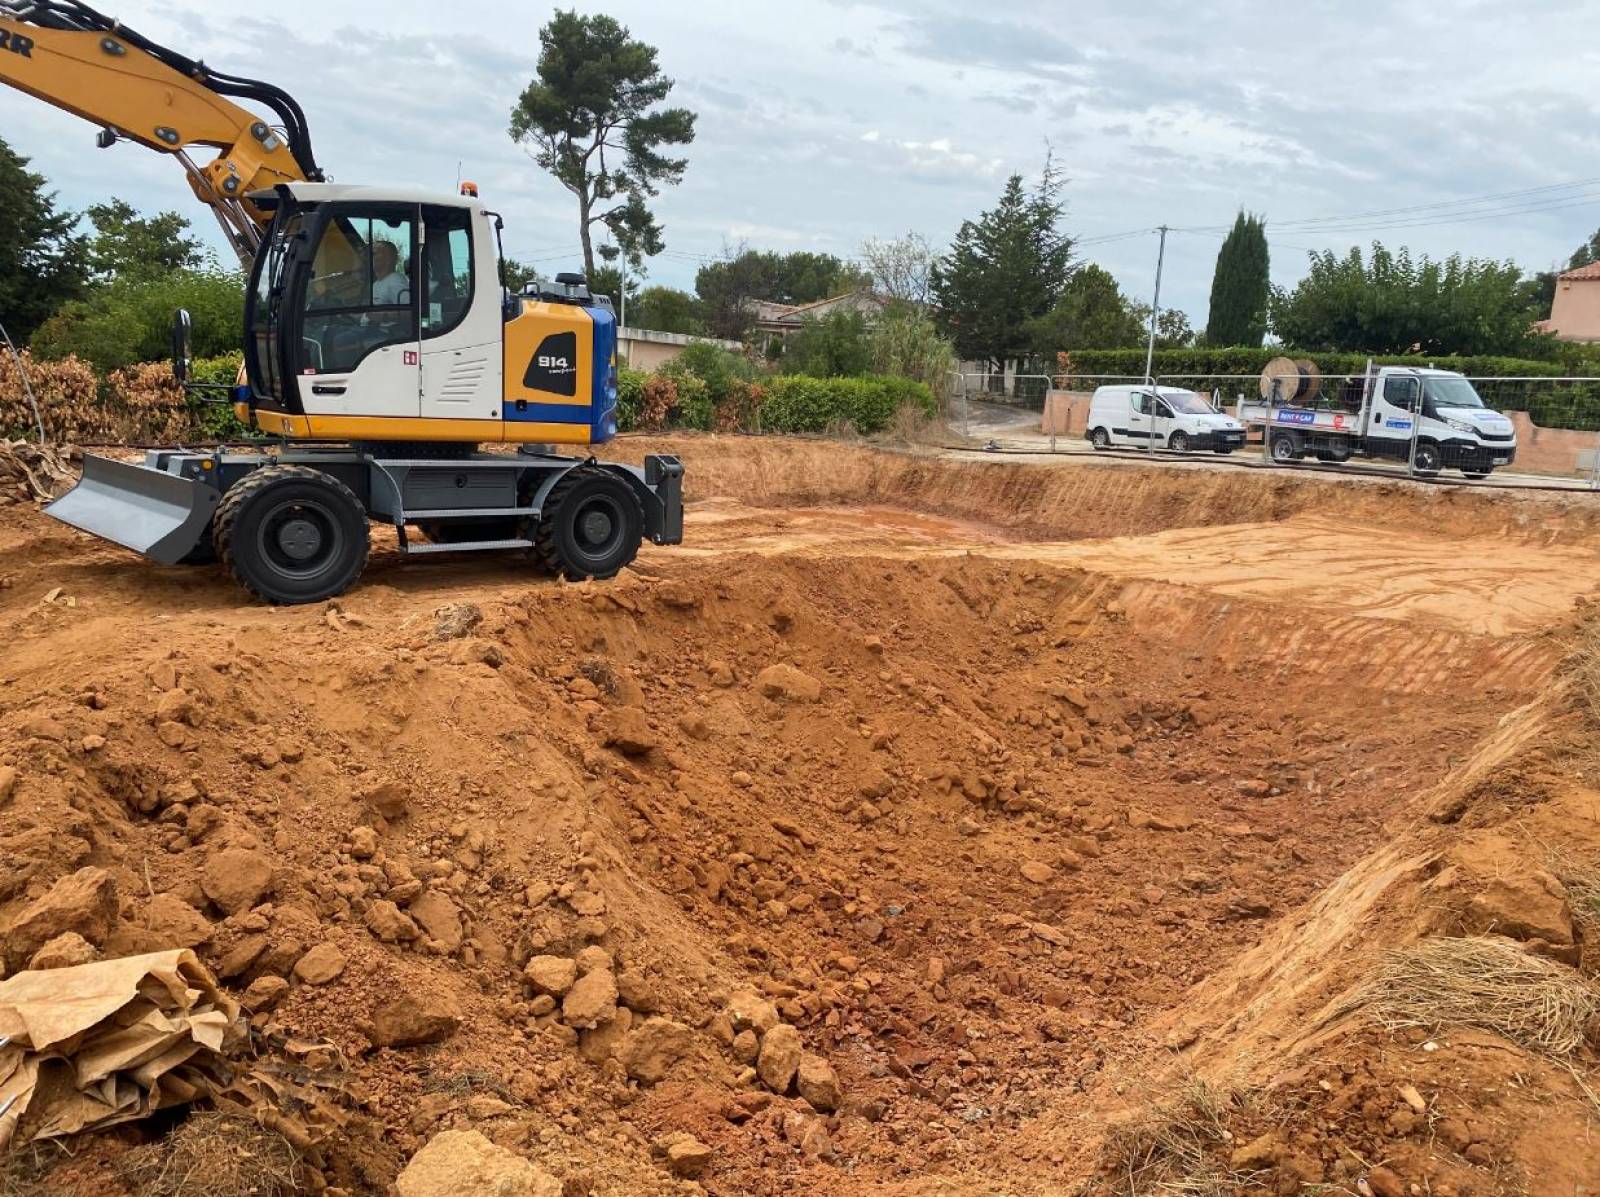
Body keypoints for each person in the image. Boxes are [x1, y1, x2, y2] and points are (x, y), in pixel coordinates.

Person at [371, 241, 409, 305]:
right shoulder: (376, 284)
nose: (370, 257)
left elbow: (408, 310)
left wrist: (378, 314)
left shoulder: (395, 281)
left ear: (389, 259)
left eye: (374, 254)